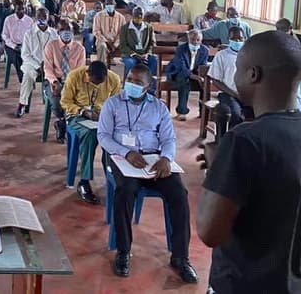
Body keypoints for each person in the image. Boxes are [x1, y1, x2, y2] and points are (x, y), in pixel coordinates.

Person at [196, 30, 301, 294]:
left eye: (238, 68)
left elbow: (210, 232)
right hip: (297, 285)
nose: (234, 76)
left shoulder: (243, 140)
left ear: (253, 74)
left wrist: (217, 171)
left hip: (241, 285)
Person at [98, 64, 198, 284]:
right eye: (129, 79)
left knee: (179, 193)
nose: (131, 84)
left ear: (148, 86)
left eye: (137, 82)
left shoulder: (159, 107)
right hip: (124, 159)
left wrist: (166, 158)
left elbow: (169, 139)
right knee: (125, 192)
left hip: (153, 160)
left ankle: (180, 257)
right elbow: (103, 136)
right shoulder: (112, 104)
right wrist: (127, 153)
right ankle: (123, 252)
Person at [62, 61, 121, 202]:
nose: (97, 85)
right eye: (94, 82)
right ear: (88, 74)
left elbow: (116, 104)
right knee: (90, 135)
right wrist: (83, 111)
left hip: (102, 116)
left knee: (113, 136)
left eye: (101, 82)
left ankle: (113, 177)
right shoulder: (74, 77)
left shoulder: (113, 79)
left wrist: (106, 115)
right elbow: (65, 102)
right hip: (77, 115)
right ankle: (84, 181)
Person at [43, 19, 87, 141]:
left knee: (80, 101)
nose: (66, 32)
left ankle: (63, 125)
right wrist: (55, 82)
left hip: (72, 81)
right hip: (54, 80)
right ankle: (63, 122)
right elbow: (47, 68)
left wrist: (70, 85)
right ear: (57, 31)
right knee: (58, 104)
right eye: (62, 30)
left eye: (69, 30)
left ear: (73, 31)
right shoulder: (51, 46)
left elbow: (80, 71)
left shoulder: (80, 49)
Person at [15, 8, 57, 118]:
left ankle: (58, 106)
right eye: (39, 17)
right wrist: (38, 66)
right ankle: (22, 104)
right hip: (32, 64)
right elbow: (25, 55)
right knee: (28, 75)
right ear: (35, 18)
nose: (42, 19)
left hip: (50, 65)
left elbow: (58, 53)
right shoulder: (29, 34)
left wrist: (48, 65)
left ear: (48, 18)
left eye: (44, 17)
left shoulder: (54, 34)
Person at [208, 26, 250, 129]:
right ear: (229, 39)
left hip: (248, 94)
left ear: (245, 39)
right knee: (235, 114)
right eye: (233, 39)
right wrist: (235, 94)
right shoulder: (222, 55)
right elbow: (215, 80)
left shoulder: (250, 55)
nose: (237, 41)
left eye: (240, 38)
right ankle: (231, 137)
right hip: (228, 94)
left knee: (261, 114)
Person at [165, 29, 210, 121]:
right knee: (184, 80)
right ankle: (182, 112)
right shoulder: (181, 49)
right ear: (188, 39)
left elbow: (203, 65)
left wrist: (200, 76)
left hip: (195, 74)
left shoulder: (204, 50)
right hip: (178, 73)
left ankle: (203, 112)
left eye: (198, 40)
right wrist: (192, 76)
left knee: (205, 82)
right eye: (192, 39)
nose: (195, 42)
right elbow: (180, 66)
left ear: (201, 41)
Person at [120, 7, 158, 91]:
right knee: (130, 63)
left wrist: (147, 54)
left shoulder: (149, 28)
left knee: (154, 60)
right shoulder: (125, 28)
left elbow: (152, 43)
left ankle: (150, 88)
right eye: (137, 14)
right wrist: (135, 54)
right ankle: (129, 88)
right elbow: (123, 45)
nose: (139, 16)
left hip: (145, 54)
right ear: (132, 15)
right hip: (130, 55)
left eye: (141, 14)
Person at [2, 1, 33, 84]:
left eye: (23, 9)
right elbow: (5, 36)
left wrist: (25, 46)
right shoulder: (9, 19)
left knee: (30, 56)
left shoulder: (29, 21)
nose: (21, 11)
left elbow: (31, 37)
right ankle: (23, 81)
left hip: (25, 45)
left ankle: (28, 78)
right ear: (14, 9)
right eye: (18, 9)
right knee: (17, 56)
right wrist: (14, 46)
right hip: (11, 46)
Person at [93, 0, 124, 66]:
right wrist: (106, 42)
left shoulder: (121, 17)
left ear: (115, 5)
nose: (109, 6)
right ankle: (102, 67)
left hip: (116, 41)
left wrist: (115, 45)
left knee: (125, 46)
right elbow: (96, 31)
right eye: (107, 4)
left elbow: (122, 33)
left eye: (111, 4)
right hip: (102, 40)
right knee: (102, 46)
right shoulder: (98, 16)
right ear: (105, 5)